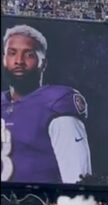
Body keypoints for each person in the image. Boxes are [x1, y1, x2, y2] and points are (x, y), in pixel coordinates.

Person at [2, 24, 92, 184]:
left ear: (43, 63)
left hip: (43, 204)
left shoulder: (56, 102)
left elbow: (76, 180)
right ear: (4, 59)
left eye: (29, 54)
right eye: (12, 53)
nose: (18, 61)